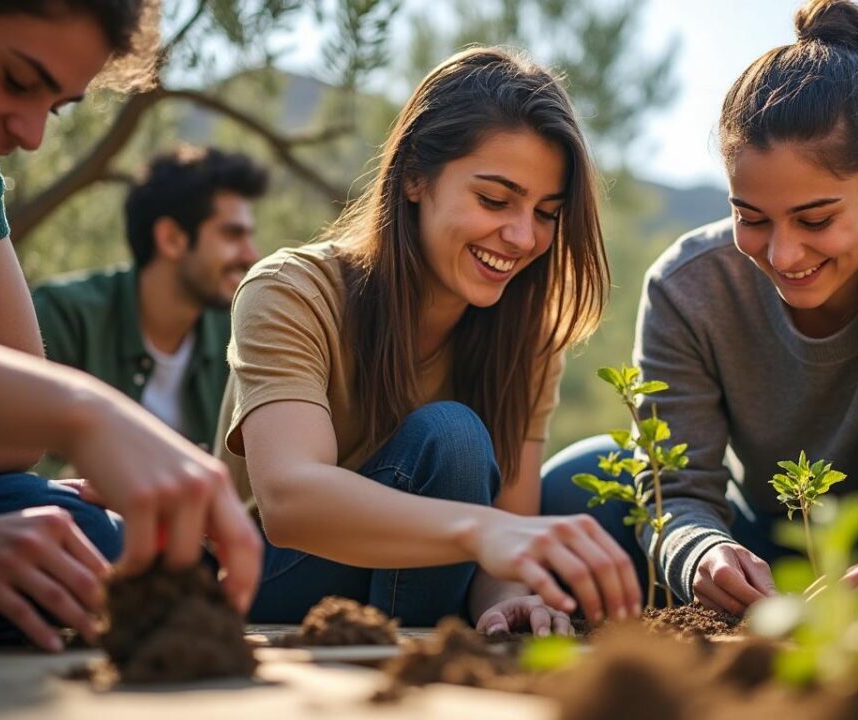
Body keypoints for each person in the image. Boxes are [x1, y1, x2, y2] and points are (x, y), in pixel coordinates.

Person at [543, 0, 858, 616]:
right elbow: (676, 491)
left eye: (816, 219)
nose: (784, 254)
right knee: (584, 478)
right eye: (751, 218)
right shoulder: (688, 288)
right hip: (770, 558)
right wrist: (701, 552)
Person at [219, 46, 640, 635]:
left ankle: (418, 669)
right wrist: (481, 531)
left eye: (547, 212)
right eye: (494, 200)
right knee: (454, 437)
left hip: (424, 589)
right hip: (273, 577)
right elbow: (290, 503)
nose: (522, 236)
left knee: (535, 454)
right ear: (415, 176)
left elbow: (506, 532)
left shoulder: (529, 339)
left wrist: (507, 598)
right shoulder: (290, 289)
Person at [0, 0, 260, 652]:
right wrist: (85, 413)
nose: (30, 135)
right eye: (17, 80)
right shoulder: (77, 311)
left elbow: (9, 438)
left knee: (82, 534)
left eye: (55, 108)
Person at [33, 146, 268, 454]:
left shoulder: (239, 338)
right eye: (232, 235)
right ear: (171, 238)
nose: (252, 255)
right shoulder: (62, 317)